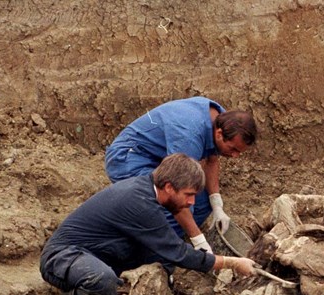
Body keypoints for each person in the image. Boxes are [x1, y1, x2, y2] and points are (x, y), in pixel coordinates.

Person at [40, 153, 257, 295]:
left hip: (99, 253)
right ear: (169, 187)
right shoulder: (138, 202)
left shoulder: (147, 192)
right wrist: (232, 263)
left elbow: (167, 251)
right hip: (62, 257)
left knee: (160, 257)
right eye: (189, 195)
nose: (192, 202)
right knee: (103, 280)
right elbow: (179, 252)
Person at [105, 97, 257, 252]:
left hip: (160, 158)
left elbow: (211, 160)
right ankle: (151, 247)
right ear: (219, 134)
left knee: (203, 201)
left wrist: (217, 205)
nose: (235, 156)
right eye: (233, 149)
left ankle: (171, 236)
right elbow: (178, 194)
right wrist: (198, 240)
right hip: (129, 158)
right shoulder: (188, 135)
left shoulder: (222, 120)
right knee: (174, 201)